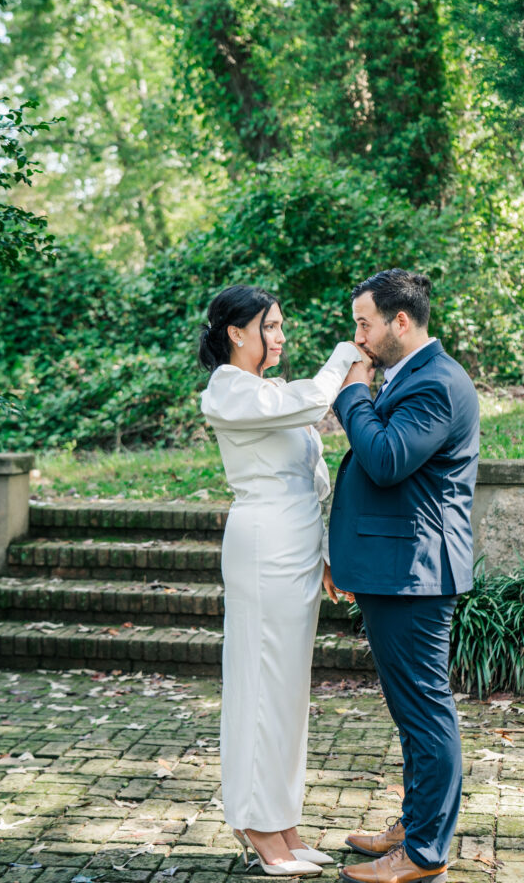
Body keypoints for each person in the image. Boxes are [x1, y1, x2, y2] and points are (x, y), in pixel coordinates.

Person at [199, 284, 363, 877]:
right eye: (269, 326)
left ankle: (284, 826)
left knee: (290, 692)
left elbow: (310, 479)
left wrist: (323, 554)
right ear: (235, 332)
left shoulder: (269, 390)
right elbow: (313, 399)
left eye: (280, 326)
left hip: (297, 542)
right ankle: (257, 826)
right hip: (263, 544)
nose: (280, 336)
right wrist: (347, 353)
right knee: (264, 686)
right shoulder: (228, 389)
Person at [326, 269, 480, 883]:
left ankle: (423, 853)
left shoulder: (436, 384)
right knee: (410, 709)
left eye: (364, 322)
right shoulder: (415, 376)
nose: (358, 336)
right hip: (394, 567)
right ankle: (416, 824)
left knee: (424, 710)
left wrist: (351, 394)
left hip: (416, 572)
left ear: (400, 321)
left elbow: (386, 460)